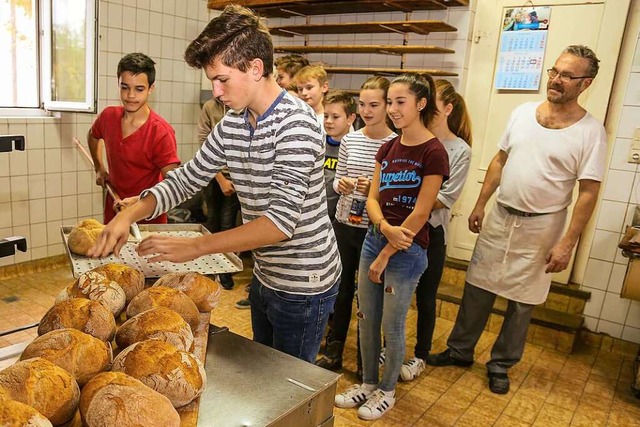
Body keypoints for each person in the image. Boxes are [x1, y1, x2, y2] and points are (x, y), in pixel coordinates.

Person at [88, 5, 342, 363]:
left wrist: (198, 247)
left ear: (255, 68)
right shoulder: (233, 124)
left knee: (292, 381)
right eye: (212, 80)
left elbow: (279, 224)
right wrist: (129, 215)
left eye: (222, 79)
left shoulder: (297, 124)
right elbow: (186, 179)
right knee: (265, 370)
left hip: (305, 284)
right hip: (268, 276)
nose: (216, 90)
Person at [428, 45, 607, 395]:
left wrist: (567, 242)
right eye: (553, 71)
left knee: (522, 302)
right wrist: (480, 203)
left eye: (566, 76)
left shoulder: (591, 131)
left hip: (543, 226)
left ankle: (501, 364)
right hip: (502, 214)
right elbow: (499, 160)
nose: (555, 80)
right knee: (477, 286)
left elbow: (588, 191)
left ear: (585, 83)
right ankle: (460, 351)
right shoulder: (523, 112)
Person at [334, 73, 449, 421]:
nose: (394, 110)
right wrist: (383, 228)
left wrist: (388, 250)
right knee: (367, 318)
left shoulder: (434, 152)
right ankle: (368, 383)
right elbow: (372, 198)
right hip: (376, 238)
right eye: (391, 102)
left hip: (407, 251)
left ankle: (386, 390)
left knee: (391, 325)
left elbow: (423, 210)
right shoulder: (388, 147)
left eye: (401, 102)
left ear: (421, 104)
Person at [316, 77, 397, 372]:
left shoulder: (394, 144)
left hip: (374, 229)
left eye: (374, 105)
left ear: (388, 106)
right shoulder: (351, 139)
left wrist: (373, 190)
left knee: (370, 295)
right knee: (341, 290)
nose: (366, 110)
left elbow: (394, 192)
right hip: (345, 224)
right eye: (362, 104)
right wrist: (344, 184)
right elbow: (337, 180)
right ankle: (334, 353)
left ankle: (366, 359)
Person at [399, 79, 472, 382]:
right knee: (396, 295)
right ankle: (392, 347)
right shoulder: (411, 139)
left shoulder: (460, 150)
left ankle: (420, 355)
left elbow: (444, 198)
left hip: (431, 234)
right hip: (400, 228)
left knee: (425, 298)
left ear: (447, 109)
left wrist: (406, 199)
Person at [88, 52, 180, 224]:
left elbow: (173, 184)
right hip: (114, 212)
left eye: (139, 89)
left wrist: (139, 200)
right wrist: (99, 167)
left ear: (151, 89)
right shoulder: (108, 116)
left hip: (148, 218)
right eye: (125, 87)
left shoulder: (160, 132)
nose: (130, 95)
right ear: (118, 84)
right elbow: (92, 136)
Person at [198, 98, 240, 290]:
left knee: (229, 225)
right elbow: (203, 145)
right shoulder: (209, 107)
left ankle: (226, 270)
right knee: (214, 222)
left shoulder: (242, 105)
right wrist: (221, 180)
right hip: (215, 178)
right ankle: (213, 270)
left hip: (240, 178)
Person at [322, 90, 357, 222]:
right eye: (326, 116)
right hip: (316, 214)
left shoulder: (355, 148)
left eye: (335, 117)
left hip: (342, 219)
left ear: (350, 119)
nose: (329, 121)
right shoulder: (318, 143)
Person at [293, 65, 329, 131]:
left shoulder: (331, 120)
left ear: (324, 87)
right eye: (300, 89)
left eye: (309, 88)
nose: (304, 93)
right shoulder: (295, 116)